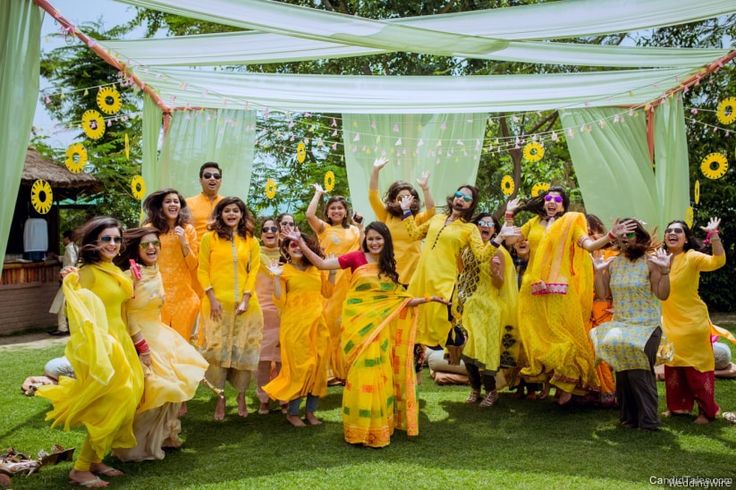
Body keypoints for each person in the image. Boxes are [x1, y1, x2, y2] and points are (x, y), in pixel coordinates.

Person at [285, 222, 447, 447]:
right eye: (370, 238)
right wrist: (301, 242)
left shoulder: (389, 266)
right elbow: (322, 264)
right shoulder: (355, 258)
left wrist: (428, 299)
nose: (374, 242)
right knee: (361, 374)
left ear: (386, 240)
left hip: (380, 330)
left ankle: (379, 426)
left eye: (379, 238)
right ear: (365, 240)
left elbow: (398, 299)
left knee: (379, 374)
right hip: (358, 328)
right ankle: (358, 427)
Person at [36, 217, 144, 488]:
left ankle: (96, 460)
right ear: (94, 241)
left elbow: (121, 306)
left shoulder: (113, 269)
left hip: (120, 341)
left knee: (129, 397)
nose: (112, 243)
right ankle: (81, 468)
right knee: (116, 400)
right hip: (102, 344)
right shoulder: (88, 271)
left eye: (117, 239)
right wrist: (70, 281)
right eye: (106, 238)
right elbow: (77, 308)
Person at [505, 187, 635, 405]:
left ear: (563, 204)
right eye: (548, 198)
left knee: (563, 337)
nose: (552, 202)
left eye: (557, 199)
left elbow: (589, 245)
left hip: (561, 290)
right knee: (535, 336)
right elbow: (510, 241)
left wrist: (610, 235)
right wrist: (509, 216)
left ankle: (569, 381)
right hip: (532, 288)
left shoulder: (571, 223)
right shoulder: (534, 223)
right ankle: (553, 380)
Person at [112, 228, 208, 461]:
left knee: (172, 386)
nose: (152, 248)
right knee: (153, 390)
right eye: (146, 245)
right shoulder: (129, 276)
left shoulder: (155, 271)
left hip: (160, 333)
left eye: (155, 243)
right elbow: (128, 314)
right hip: (140, 338)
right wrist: (141, 346)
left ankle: (164, 437)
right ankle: (135, 447)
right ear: (136, 248)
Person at [400, 185, 516, 348]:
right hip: (421, 277)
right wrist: (406, 211)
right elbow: (414, 234)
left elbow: (482, 255)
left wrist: (500, 237)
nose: (461, 199)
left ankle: (464, 346)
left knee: (439, 326)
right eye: (459, 195)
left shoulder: (469, 229)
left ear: (471, 205)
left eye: (467, 199)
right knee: (414, 322)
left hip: (443, 282)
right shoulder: (437, 218)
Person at [590, 220, 672, 430]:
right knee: (623, 373)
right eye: (621, 237)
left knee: (639, 373)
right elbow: (602, 294)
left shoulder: (651, 262)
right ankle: (628, 418)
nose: (625, 240)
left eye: (630, 235)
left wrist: (664, 273)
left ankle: (648, 420)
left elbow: (662, 294)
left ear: (640, 237)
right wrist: (599, 272)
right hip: (622, 325)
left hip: (646, 326)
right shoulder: (614, 263)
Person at [660, 218, 733, 424]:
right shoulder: (661, 258)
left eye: (677, 231)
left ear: (685, 239)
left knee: (697, 370)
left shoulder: (691, 257)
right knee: (673, 365)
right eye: (668, 230)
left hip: (693, 323)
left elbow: (718, 260)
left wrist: (714, 235)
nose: (672, 233)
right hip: (670, 323)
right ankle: (678, 408)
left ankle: (707, 412)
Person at [198, 197, 263, 421]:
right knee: (218, 351)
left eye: (236, 211)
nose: (232, 214)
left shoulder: (251, 240)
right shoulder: (210, 238)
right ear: (220, 214)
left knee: (243, 349)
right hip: (216, 305)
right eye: (227, 211)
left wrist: (245, 299)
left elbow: (253, 271)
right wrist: (212, 298)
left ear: (242, 214)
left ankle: (242, 395)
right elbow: (202, 270)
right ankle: (220, 398)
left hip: (246, 305)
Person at [263, 232, 335, 428]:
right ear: (285, 249)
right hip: (294, 327)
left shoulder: (316, 269)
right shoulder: (283, 270)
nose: (295, 247)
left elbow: (328, 293)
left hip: (318, 326)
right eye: (291, 245)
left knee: (318, 369)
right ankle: (293, 413)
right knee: (300, 369)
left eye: (299, 244)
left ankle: (311, 412)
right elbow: (280, 301)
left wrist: (333, 272)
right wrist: (277, 279)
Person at [453, 213, 518, 408]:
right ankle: (474, 388)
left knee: (482, 349)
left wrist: (495, 272)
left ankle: (491, 391)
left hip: (487, 307)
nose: (485, 226)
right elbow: (461, 272)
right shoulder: (467, 248)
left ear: (495, 230)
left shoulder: (497, 252)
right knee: (466, 346)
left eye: (489, 224)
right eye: (481, 223)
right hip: (466, 304)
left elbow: (500, 284)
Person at [306, 184, 362, 381]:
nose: (337, 211)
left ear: (346, 211)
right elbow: (309, 215)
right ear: (327, 212)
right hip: (328, 278)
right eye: (332, 208)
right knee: (328, 323)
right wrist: (318, 194)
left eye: (340, 208)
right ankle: (326, 371)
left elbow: (364, 248)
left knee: (345, 325)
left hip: (350, 280)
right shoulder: (324, 228)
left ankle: (344, 370)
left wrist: (361, 227)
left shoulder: (354, 230)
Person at [142, 189, 200, 342]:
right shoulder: (149, 229)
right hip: (157, 294)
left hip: (183, 298)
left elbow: (193, 265)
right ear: (160, 207)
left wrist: (183, 242)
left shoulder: (188, 230)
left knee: (181, 343)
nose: (173, 204)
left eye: (176, 201)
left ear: (180, 206)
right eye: (168, 201)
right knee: (159, 343)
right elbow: (143, 260)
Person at [368, 157, 435, 285]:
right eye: (400, 198)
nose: (404, 201)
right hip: (390, 269)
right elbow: (373, 196)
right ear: (393, 200)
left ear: (413, 200)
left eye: (407, 197)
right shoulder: (386, 215)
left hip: (413, 271)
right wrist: (375, 170)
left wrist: (426, 189)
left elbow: (431, 211)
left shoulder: (417, 218)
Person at [255, 218, 285, 415]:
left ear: (279, 233)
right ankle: (263, 399)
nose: (270, 231)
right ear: (261, 235)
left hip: (284, 311)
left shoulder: (288, 255)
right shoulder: (254, 255)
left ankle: (284, 397)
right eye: (265, 229)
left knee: (283, 358)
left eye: (274, 228)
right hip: (261, 312)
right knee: (263, 360)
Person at [48, 230, 78, 336]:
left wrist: (62, 274)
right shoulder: (75, 247)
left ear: (67, 238)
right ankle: (66, 327)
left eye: (63, 238)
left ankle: (63, 328)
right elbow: (68, 260)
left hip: (68, 280)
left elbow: (71, 263)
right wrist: (57, 257)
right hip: (72, 280)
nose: (62, 240)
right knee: (67, 304)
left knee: (61, 304)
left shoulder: (69, 248)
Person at [186, 162, 224, 241]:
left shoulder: (227, 204)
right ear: (200, 180)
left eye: (216, 176)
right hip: (196, 250)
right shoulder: (188, 203)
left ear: (220, 181)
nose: (212, 178)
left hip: (221, 250)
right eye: (207, 176)